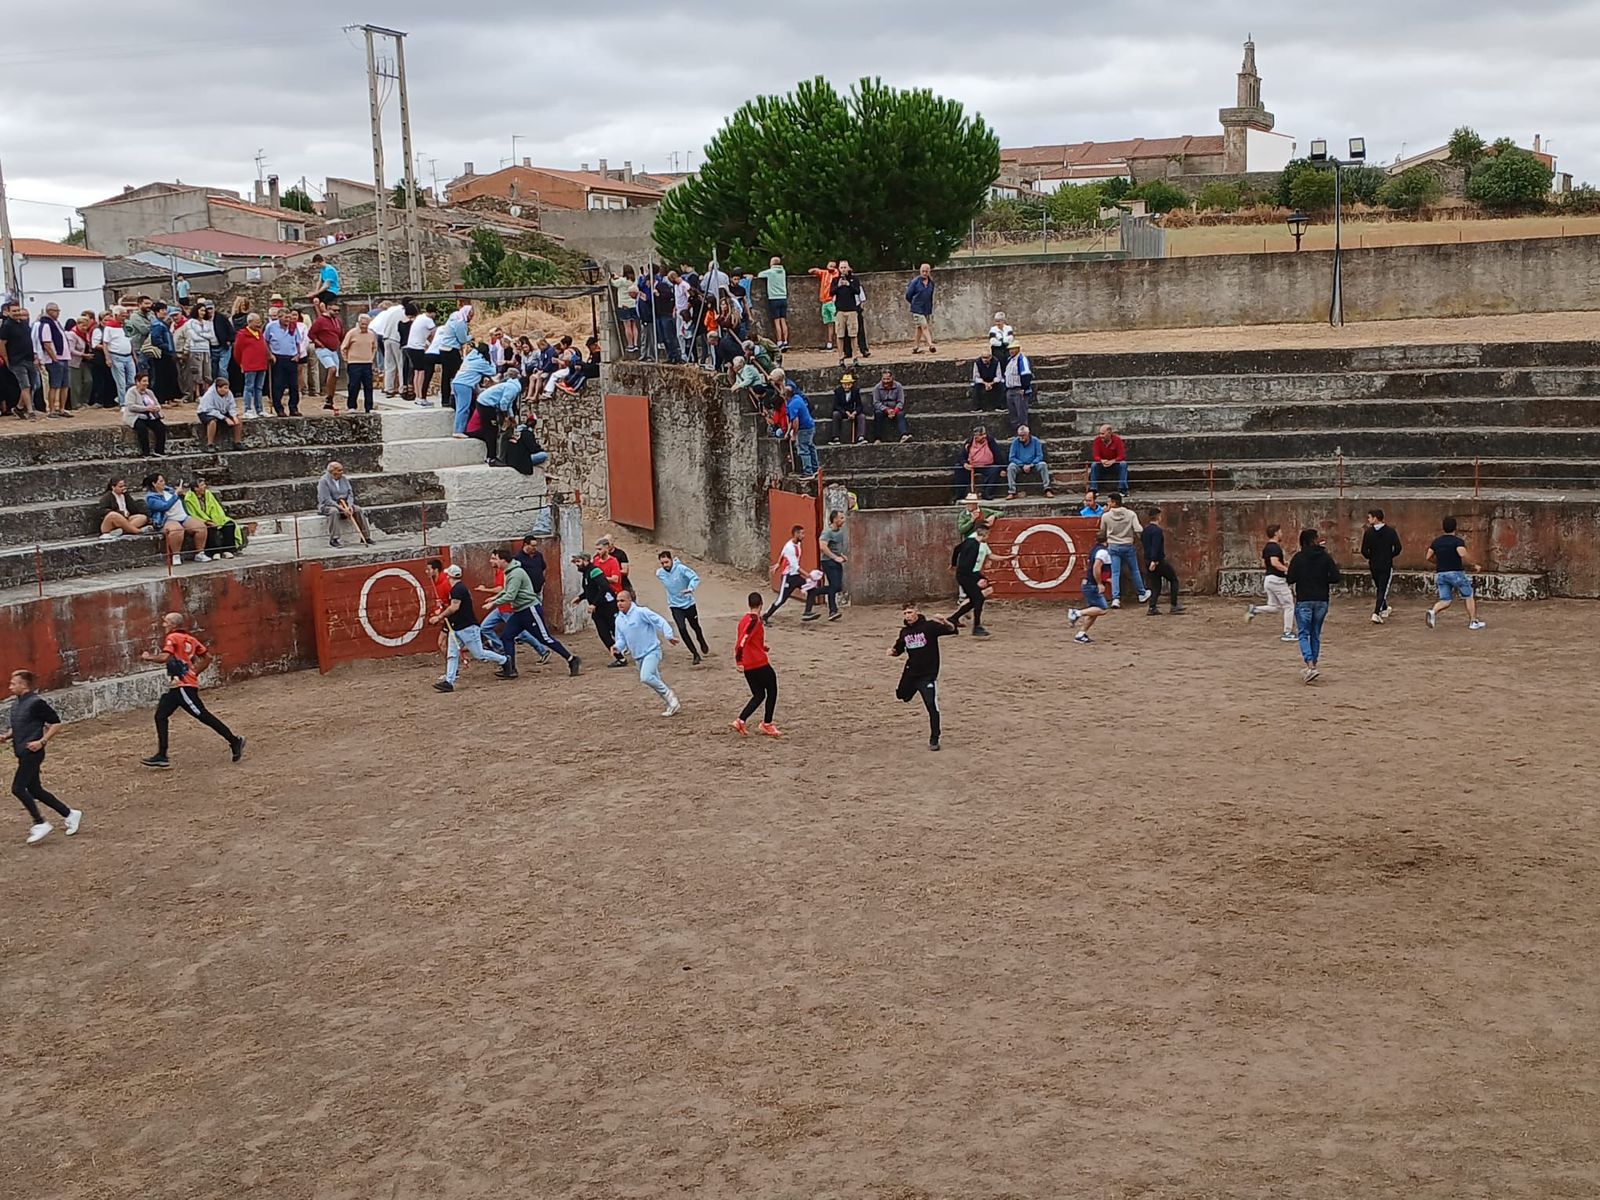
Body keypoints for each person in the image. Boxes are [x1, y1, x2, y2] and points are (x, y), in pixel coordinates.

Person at [138, 611, 245, 767]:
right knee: (160, 715)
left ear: (173, 625)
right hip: (178, 686)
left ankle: (235, 741)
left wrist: (148, 657)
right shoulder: (190, 639)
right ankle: (162, 755)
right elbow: (207, 657)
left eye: (166, 622)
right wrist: (195, 672)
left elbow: (164, 658)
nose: (163, 625)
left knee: (203, 715)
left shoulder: (172, 638)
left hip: (183, 686)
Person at [5, 670, 81, 845]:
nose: (10, 686)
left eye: (13, 683)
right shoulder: (16, 704)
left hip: (33, 753)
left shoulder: (36, 703)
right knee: (35, 790)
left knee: (18, 788)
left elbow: (56, 723)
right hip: (22, 752)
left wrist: (42, 741)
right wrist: (7, 736)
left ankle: (40, 822)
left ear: (23, 685)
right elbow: (20, 725)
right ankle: (69, 814)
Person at [428, 563, 508, 692]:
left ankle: (504, 660)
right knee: (452, 654)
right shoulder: (458, 589)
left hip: (466, 627)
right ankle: (449, 681)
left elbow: (454, 607)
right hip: (458, 627)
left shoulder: (457, 590)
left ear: (449, 576)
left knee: (479, 654)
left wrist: (439, 617)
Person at [890, 603, 955, 752]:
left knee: (931, 706)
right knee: (902, 695)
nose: (908, 616)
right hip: (911, 672)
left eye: (910, 612)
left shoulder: (929, 627)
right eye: (905, 613)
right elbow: (899, 649)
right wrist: (892, 652)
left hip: (928, 675)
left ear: (917, 612)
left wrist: (944, 621)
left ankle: (934, 738)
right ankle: (910, 691)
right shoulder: (904, 632)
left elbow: (952, 630)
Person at [613, 590, 682, 716]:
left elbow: (659, 621)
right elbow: (621, 638)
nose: (619, 604)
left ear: (630, 600)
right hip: (637, 656)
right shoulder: (619, 619)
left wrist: (668, 635)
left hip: (652, 651)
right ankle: (671, 704)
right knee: (655, 680)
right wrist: (617, 647)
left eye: (622, 601)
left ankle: (670, 695)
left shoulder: (641, 612)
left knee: (646, 677)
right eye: (617, 601)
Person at [1287, 528, 1341, 682]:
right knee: (1315, 633)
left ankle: (1310, 665)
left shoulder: (1298, 558)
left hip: (1304, 599)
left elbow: (1290, 578)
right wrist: (1323, 579)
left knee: (1304, 633)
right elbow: (1336, 577)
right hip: (1322, 599)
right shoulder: (1325, 557)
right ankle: (1313, 665)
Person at [949, 524, 1013, 637]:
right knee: (978, 598)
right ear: (984, 534)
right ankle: (976, 627)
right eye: (988, 534)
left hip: (965, 575)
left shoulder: (969, 541)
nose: (988, 537)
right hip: (967, 576)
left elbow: (956, 549)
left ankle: (954, 618)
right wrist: (976, 579)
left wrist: (953, 564)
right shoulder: (975, 547)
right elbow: (967, 566)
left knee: (975, 599)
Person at [732, 592, 781, 737]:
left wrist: (762, 647)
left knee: (759, 694)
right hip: (757, 663)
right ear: (761, 604)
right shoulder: (755, 621)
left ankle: (741, 720)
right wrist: (739, 660)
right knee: (772, 689)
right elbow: (742, 640)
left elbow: (749, 640)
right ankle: (767, 723)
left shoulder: (744, 619)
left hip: (749, 665)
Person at [1426, 516, 1487, 631]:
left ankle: (1433, 611)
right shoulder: (1457, 541)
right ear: (1455, 528)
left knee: (1445, 600)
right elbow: (1462, 554)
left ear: (1443, 528)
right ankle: (1473, 621)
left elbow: (1428, 556)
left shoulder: (1436, 542)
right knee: (1468, 595)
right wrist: (1474, 564)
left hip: (1441, 574)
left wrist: (1438, 562)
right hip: (1456, 573)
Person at [573, 551, 627, 668]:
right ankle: (620, 658)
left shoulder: (595, 571)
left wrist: (594, 604)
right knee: (604, 634)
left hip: (607, 607)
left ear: (586, 561)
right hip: (598, 609)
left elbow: (604, 587)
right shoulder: (587, 573)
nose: (576, 564)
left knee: (616, 630)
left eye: (578, 561)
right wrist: (581, 597)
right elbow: (591, 589)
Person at [1246, 523, 1299, 642]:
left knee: (1274, 607)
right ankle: (1287, 632)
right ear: (1275, 533)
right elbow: (1274, 563)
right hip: (1277, 580)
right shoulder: (1274, 547)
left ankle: (1254, 610)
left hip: (1269, 580)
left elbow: (1270, 562)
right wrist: (1288, 570)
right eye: (1280, 531)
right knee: (1289, 606)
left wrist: (1283, 563)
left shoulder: (1267, 548)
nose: (1282, 534)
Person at [656, 550, 710, 665]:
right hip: (675, 605)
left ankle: (701, 639)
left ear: (671, 560)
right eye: (662, 563)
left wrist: (690, 588)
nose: (665, 565)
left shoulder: (681, 568)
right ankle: (694, 653)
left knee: (695, 626)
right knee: (681, 628)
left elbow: (694, 577)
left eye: (666, 562)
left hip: (688, 603)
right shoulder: (660, 573)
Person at [1097, 493, 1151, 608]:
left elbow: (1102, 530)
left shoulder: (1106, 516)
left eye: (1109, 502)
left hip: (1113, 545)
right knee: (1134, 570)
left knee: (1115, 572)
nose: (1107, 504)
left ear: (1114, 502)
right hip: (1127, 544)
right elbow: (1138, 529)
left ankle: (1116, 598)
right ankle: (1141, 593)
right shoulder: (1131, 514)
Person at [143, 473, 209, 565]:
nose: (164, 483)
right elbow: (164, 506)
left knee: (201, 527)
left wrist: (181, 494)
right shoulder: (151, 497)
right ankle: (176, 555)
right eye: (161, 481)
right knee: (177, 530)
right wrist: (176, 495)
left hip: (182, 516)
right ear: (154, 484)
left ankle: (200, 553)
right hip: (168, 519)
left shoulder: (168, 490)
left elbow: (179, 499)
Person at [1067, 531, 1115, 644]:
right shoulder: (1102, 552)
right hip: (1092, 584)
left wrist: (1105, 580)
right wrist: (1099, 583)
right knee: (1102, 609)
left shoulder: (1094, 550)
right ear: (1107, 540)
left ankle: (1080, 634)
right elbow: (1096, 567)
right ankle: (1076, 613)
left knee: (1094, 611)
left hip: (1088, 583)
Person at [804, 509, 848, 622]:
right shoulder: (827, 532)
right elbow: (822, 546)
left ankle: (813, 592)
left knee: (838, 587)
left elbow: (837, 547)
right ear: (835, 519)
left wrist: (841, 556)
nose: (843, 520)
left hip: (836, 561)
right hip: (828, 561)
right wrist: (835, 557)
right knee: (834, 585)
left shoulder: (839, 532)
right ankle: (833, 610)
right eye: (841, 518)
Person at [1360, 508, 1402, 624]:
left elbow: (1364, 550)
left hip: (1373, 564)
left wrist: (1371, 557)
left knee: (1379, 587)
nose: (1368, 519)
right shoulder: (1390, 532)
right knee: (1382, 588)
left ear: (1375, 518)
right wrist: (1389, 556)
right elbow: (1398, 548)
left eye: (1369, 517)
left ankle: (1384, 608)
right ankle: (1376, 612)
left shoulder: (1368, 533)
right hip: (1386, 564)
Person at [316, 461, 372, 548]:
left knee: (358, 510)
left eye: (342, 470)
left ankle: (366, 536)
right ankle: (334, 539)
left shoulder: (344, 479)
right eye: (339, 470)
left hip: (345, 504)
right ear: (332, 471)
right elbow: (327, 499)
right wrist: (341, 508)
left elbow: (350, 494)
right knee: (334, 512)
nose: (342, 472)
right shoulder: (323, 481)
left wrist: (349, 506)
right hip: (329, 505)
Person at [187, 476, 243, 558]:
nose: (205, 486)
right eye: (202, 485)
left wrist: (216, 520)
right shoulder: (189, 498)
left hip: (215, 518)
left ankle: (228, 550)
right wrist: (207, 521)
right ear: (196, 488)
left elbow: (215, 508)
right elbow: (193, 514)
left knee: (229, 524)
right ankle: (215, 552)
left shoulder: (208, 494)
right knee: (210, 528)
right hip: (202, 521)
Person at [1140, 506, 1183, 615]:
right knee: (1173, 580)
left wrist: (1150, 560)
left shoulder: (1145, 530)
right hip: (1158, 561)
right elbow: (1156, 546)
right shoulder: (1157, 531)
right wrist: (1154, 560)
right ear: (1159, 517)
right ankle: (1174, 605)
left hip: (1148, 560)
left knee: (1156, 585)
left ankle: (1152, 606)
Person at [2, 302, 39, 419]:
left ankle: (18, 408)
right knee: (25, 385)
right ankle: (30, 411)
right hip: (17, 360)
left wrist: (35, 356)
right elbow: (2, 344)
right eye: (14, 311)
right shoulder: (6, 326)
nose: (17, 313)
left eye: (18, 310)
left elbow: (29, 341)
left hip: (29, 358)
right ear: (8, 312)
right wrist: (6, 359)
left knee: (33, 385)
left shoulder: (24, 324)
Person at [763, 526, 808, 623]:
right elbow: (795, 566)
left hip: (796, 575)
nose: (803, 536)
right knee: (781, 600)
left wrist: (778, 563)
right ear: (796, 534)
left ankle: (808, 612)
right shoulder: (789, 547)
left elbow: (782, 554)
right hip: (788, 577)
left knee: (811, 588)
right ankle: (765, 616)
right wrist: (808, 575)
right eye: (801, 533)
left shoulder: (798, 544)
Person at [264, 308, 301, 416]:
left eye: (289, 317)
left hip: (291, 358)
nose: (288, 320)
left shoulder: (293, 327)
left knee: (294, 385)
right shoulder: (271, 327)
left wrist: (298, 354)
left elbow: (297, 342)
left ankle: (293, 408)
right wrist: (270, 354)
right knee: (278, 385)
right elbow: (265, 341)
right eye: (286, 317)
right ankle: (279, 408)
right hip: (278, 358)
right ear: (279, 317)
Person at [232, 313, 270, 418]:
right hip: (250, 364)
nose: (259, 324)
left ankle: (259, 409)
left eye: (259, 322)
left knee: (259, 388)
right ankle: (248, 409)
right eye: (256, 322)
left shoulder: (260, 333)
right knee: (249, 387)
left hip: (262, 364)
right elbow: (237, 351)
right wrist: (241, 362)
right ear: (249, 322)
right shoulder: (242, 334)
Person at [340, 312, 377, 412]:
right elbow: (344, 347)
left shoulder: (371, 334)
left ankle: (369, 407)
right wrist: (347, 359)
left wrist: (371, 358)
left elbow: (374, 347)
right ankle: (352, 406)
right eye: (362, 324)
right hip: (354, 363)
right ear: (359, 323)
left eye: (366, 324)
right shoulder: (352, 333)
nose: (364, 326)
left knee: (368, 386)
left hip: (367, 362)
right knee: (353, 385)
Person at [955, 424, 1004, 500]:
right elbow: (961, 455)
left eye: (981, 435)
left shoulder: (990, 441)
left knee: (995, 470)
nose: (978, 438)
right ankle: (960, 494)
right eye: (977, 436)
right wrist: (964, 464)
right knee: (959, 468)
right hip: (971, 466)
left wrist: (1002, 469)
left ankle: (987, 493)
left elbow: (998, 454)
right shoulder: (969, 442)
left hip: (987, 466)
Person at [367, 300, 405, 397]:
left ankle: (389, 388)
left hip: (383, 335)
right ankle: (402, 388)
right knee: (401, 364)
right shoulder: (403, 311)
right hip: (394, 338)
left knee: (388, 364)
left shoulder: (391, 310)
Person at [124, 372, 167, 456]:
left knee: (160, 427)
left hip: (149, 415)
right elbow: (131, 406)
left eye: (147, 381)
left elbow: (157, 403)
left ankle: (159, 451)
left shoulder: (149, 392)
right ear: (137, 382)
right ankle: (145, 452)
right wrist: (146, 408)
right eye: (144, 381)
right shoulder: (131, 392)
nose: (146, 383)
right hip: (135, 416)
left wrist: (156, 408)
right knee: (142, 428)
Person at [308, 306, 343, 408]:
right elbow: (311, 334)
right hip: (323, 349)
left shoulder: (337, 322)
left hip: (334, 350)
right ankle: (327, 395)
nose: (336, 312)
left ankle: (330, 397)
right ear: (328, 309)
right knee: (332, 369)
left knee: (335, 375)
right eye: (334, 310)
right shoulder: (320, 321)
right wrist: (319, 342)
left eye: (338, 310)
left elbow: (341, 335)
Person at [1005, 425, 1053, 499]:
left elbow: (1039, 456)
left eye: (1023, 435)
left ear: (1028, 434)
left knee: (1043, 465)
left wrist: (1031, 464)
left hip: (1033, 464)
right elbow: (1012, 457)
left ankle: (1047, 489)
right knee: (1011, 467)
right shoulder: (1015, 442)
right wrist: (1022, 465)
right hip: (1020, 465)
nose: (1021, 437)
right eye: (1019, 435)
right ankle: (1012, 491)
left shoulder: (1035, 441)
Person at [196, 377, 242, 448]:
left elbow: (231, 406)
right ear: (218, 388)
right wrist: (225, 418)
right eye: (225, 388)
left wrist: (234, 416)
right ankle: (210, 444)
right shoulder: (209, 395)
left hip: (222, 410)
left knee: (238, 419)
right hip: (207, 411)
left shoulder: (229, 393)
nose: (227, 390)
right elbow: (209, 409)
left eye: (227, 388)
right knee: (212, 422)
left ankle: (237, 442)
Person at [783, 383, 818, 476]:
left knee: (803, 449)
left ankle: (808, 472)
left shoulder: (792, 405)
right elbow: (792, 420)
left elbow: (795, 421)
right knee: (810, 447)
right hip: (810, 425)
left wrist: (794, 434)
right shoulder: (798, 398)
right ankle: (815, 468)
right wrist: (787, 432)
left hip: (803, 429)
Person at [807, 260, 839, 351]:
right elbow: (811, 271)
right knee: (829, 323)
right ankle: (829, 343)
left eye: (833, 266)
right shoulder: (824, 273)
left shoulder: (836, 274)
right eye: (830, 266)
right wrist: (817, 270)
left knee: (836, 322)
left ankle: (840, 342)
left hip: (831, 301)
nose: (831, 267)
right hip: (824, 302)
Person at [871, 369, 910, 443]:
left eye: (888, 379)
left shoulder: (898, 386)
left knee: (900, 414)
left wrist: (895, 411)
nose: (886, 381)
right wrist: (886, 410)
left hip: (895, 409)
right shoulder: (877, 388)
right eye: (884, 379)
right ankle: (878, 438)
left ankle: (904, 435)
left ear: (892, 378)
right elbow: (876, 403)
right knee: (878, 413)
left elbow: (901, 401)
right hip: (883, 409)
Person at [1089, 424, 1129, 495]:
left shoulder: (1117, 440)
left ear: (1109, 433)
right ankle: (1093, 489)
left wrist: (1113, 461)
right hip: (1102, 464)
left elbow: (1122, 456)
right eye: (1100, 433)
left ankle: (1122, 489)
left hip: (1114, 464)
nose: (1101, 436)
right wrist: (1102, 461)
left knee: (1123, 464)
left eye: (1103, 434)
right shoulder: (1097, 441)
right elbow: (1096, 456)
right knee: (1094, 465)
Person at [905, 263, 936, 354]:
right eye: (923, 271)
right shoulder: (915, 282)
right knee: (924, 326)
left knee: (919, 327)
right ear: (920, 271)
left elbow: (930, 296)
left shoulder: (931, 283)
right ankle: (931, 344)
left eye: (926, 271)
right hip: (917, 308)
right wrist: (914, 303)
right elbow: (908, 295)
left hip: (926, 308)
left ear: (929, 272)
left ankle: (916, 346)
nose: (924, 273)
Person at [758, 256, 788, 348]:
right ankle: (786, 340)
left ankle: (779, 341)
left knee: (777, 321)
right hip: (783, 297)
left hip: (774, 298)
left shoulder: (770, 272)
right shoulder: (783, 271)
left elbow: (760, 274)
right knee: (783, 320)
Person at [1002, 343, 1033, 434]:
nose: (1011, 351)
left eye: (1013, 349)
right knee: (1013, 414)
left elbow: (1026, 374)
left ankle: (1024, 434)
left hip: (1019, 389)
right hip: (1010, 389)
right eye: (1010, 349)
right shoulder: (1009, 360)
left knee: (1021, 414)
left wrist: (1024, 388)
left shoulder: (1021, 359)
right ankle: (1016, 433)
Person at [830, 372, 862, 444]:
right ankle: (835, 437)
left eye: (848, 384)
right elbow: (836, 406)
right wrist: (845, 412)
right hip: (842, 411)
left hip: (853, 412)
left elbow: (859, 405)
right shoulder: (838, 391)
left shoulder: (855, 391)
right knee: (835, 414)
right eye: (845, 384)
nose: (846, 386)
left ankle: (861, 437)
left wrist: (855, 412)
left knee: (861, 416)